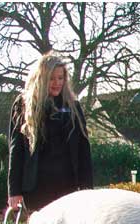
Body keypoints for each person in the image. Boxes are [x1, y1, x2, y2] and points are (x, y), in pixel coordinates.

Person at [8, 52, 93, 212]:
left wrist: (87, 190)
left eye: (60, 78)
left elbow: (83, 151)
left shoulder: (73, 106)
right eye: (52, 78)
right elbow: (16, 150)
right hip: (36, 189)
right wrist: (14, 191)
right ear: (41, 78)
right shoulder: (23, 105)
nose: (57, 83)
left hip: (68, 187)